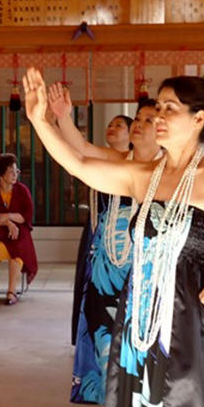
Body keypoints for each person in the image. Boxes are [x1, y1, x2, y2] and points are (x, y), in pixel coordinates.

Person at [23, 67, 204, 407]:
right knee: (137, 401)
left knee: (183, 404)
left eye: (170, 108)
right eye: (158, 107)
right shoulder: (146, 175)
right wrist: (39, 121)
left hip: (190, 310)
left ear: (199, 119)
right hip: (141, 306)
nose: (159, 116)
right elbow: (81, 165)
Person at [47, 85, 164, 404]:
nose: (139, 123)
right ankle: (115, 399)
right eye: (138, 118)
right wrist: (62, 118)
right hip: (106, 264)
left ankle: (138, 401)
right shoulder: (118, 159)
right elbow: (82, 151)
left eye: (149, 119)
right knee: (102, 328)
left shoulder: (169, 171)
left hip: (146, 267)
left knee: (140, 338)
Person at [70, 112, 133, 344]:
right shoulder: (100, 158)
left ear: (131, 133)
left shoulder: (135, 163)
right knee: (89, 283)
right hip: (97, 230)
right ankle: (89, 336)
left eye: (119, 125)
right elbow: (79, 151)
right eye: (110, 124)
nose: (112, 128)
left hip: (123, 237)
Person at [0, 153, 38, 305]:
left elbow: (27, 215)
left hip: (17, 232)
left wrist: (8, 216)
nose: (15, 174)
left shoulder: (22, 190)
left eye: (16, 171)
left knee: (18, 247)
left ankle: (11, 291)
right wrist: (7, 223)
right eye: (11, 171)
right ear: (0, 174)